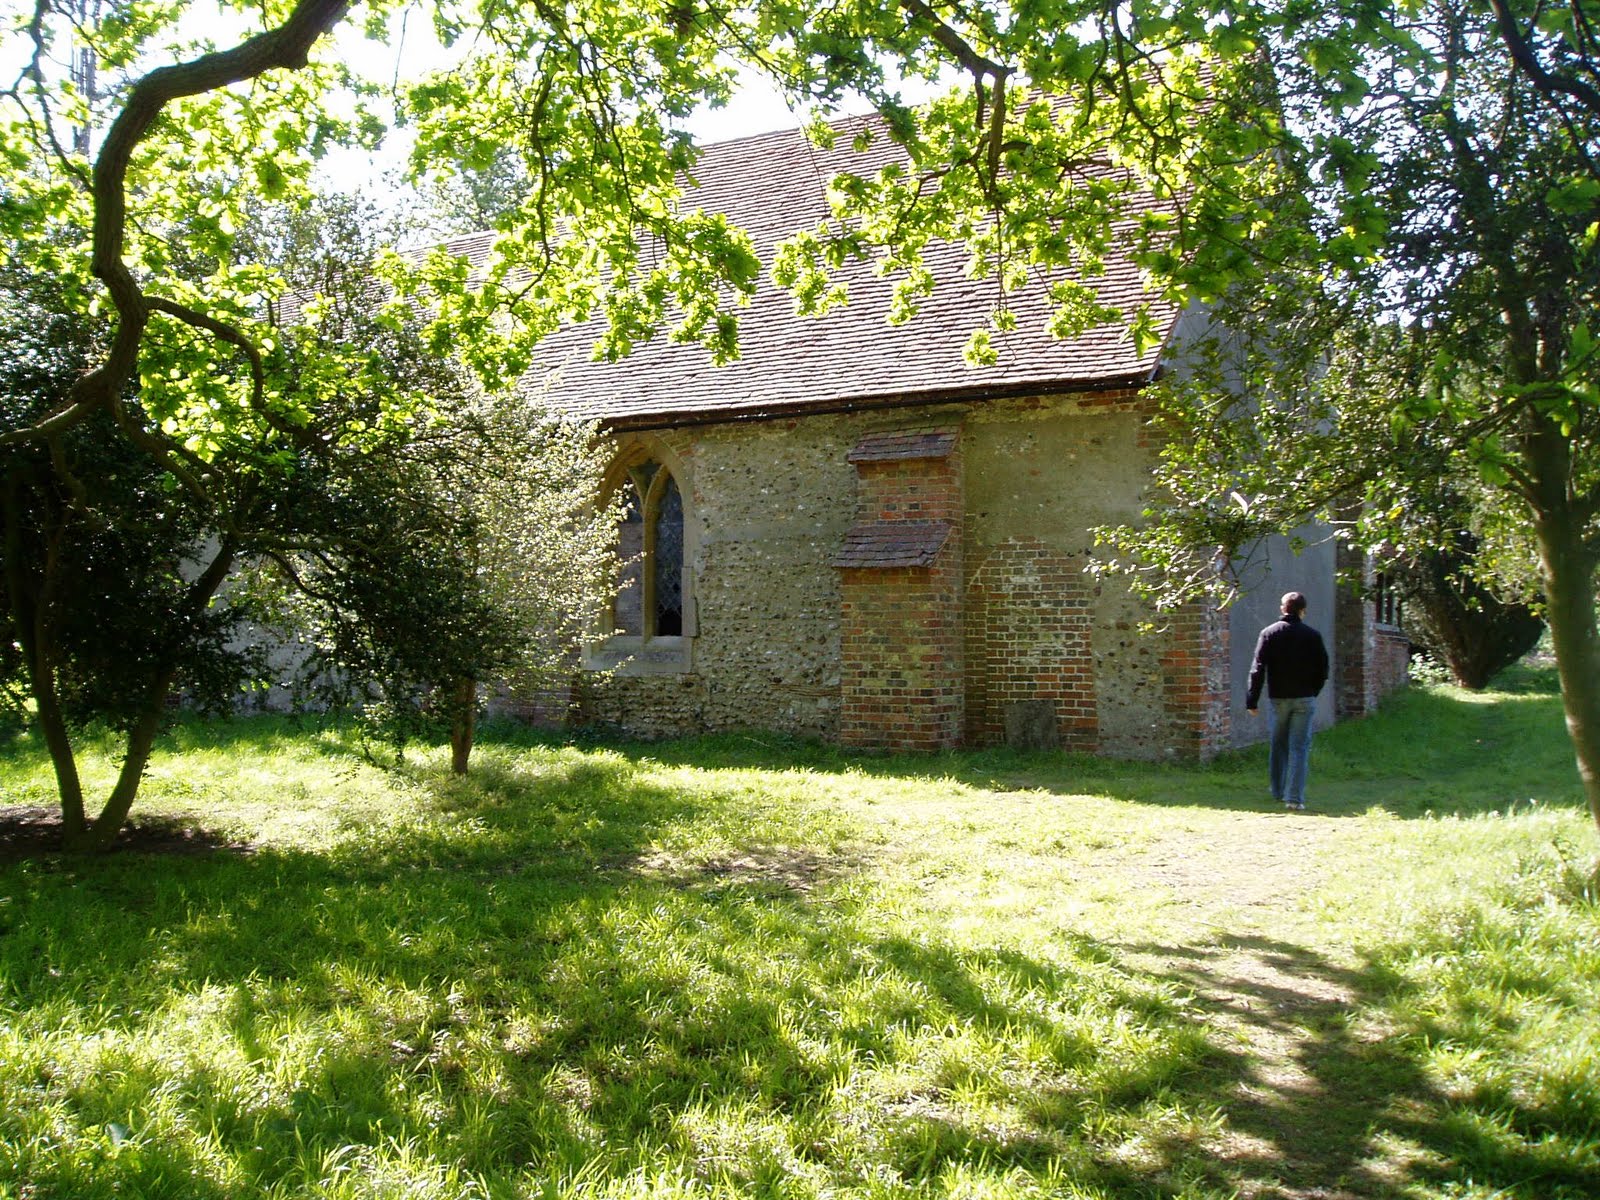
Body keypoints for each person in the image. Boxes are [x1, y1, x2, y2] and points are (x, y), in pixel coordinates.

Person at [1246, 591, 1330, 811]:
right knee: (1299, 748)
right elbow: (1323, 670)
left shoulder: (1269, 633)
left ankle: (1277, 790)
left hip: (1279, 698)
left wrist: (1252, 700)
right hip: (1304, 697)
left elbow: (1258, 670)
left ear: (1283, 609)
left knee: (1278, 744)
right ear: (1303, 611)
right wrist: (1314, 692)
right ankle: (1294, 798)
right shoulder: (1312, 636)